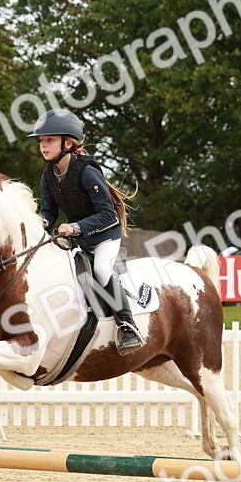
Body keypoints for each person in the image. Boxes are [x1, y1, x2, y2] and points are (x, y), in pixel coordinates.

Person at [28, 109, 143, 353]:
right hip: (77, 238)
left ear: (67, 143)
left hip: (104, 236)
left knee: (101, 269)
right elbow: (49, 212)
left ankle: (127, 326)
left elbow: (108, 214)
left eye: (49, 140)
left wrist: (76, 226)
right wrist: (42, 222)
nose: (43, 146)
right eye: (41, 141)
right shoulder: (48, 176)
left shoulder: (87, 171)